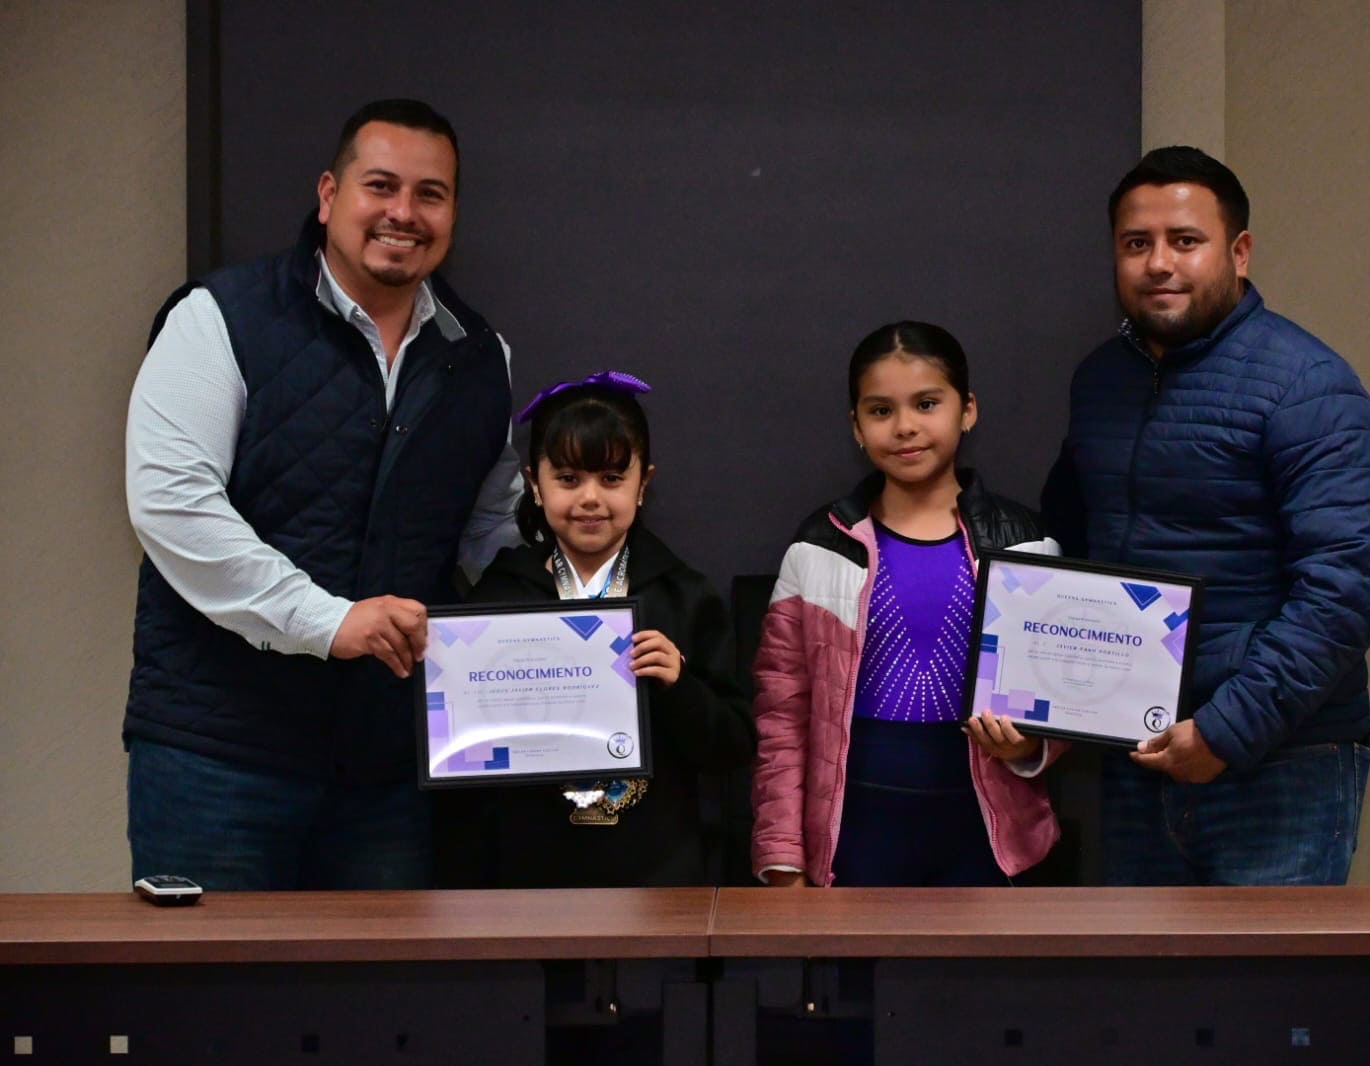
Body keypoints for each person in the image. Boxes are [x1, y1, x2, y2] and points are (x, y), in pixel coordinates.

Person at [123, 99, 523, 890]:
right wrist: (329, 620)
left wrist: (588, 632)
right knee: (214, 1010)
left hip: (386, 773)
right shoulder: (220, 318)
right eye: (381, 186)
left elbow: (489, 538)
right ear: (329, 195)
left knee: (380, 1012)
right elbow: (172, 506)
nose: (403, 213)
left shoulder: (481, 358)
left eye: (430, 194)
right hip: (217, 757)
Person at [1042, 146, 1370, 886]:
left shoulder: (1309, 386)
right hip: (1138, 750)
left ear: (1237, 251)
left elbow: (1344, 588)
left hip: (1279, 761)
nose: (1158, 263)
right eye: (1137, 244)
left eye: (1184, 241)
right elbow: (1074, 553)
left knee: (1274, 996)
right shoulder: (1099, 380)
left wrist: (1228, 730)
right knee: (1145, 997)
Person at [751, 321, 1064, 888]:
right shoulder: (817, 547)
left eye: (926, 403)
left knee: (974, 978)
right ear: (856, 426)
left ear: (967, 409)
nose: (905, 427)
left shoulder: (1025, 544)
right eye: (880, 411)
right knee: (855, 977)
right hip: (854, 830)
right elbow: (782, 715)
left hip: (987, 830)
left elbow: (1063, 693)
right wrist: (782, 855)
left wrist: (1033, 744)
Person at [433, 373, 755, 887]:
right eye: (567, 479)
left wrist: (680, 684)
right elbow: (463, 752)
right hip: (529, 866)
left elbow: (733, 745)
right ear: (534, 484)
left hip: (656, 866)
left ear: (643, 484)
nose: (589, 498)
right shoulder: (499, 598)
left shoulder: (682, 595)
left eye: (611, 478)